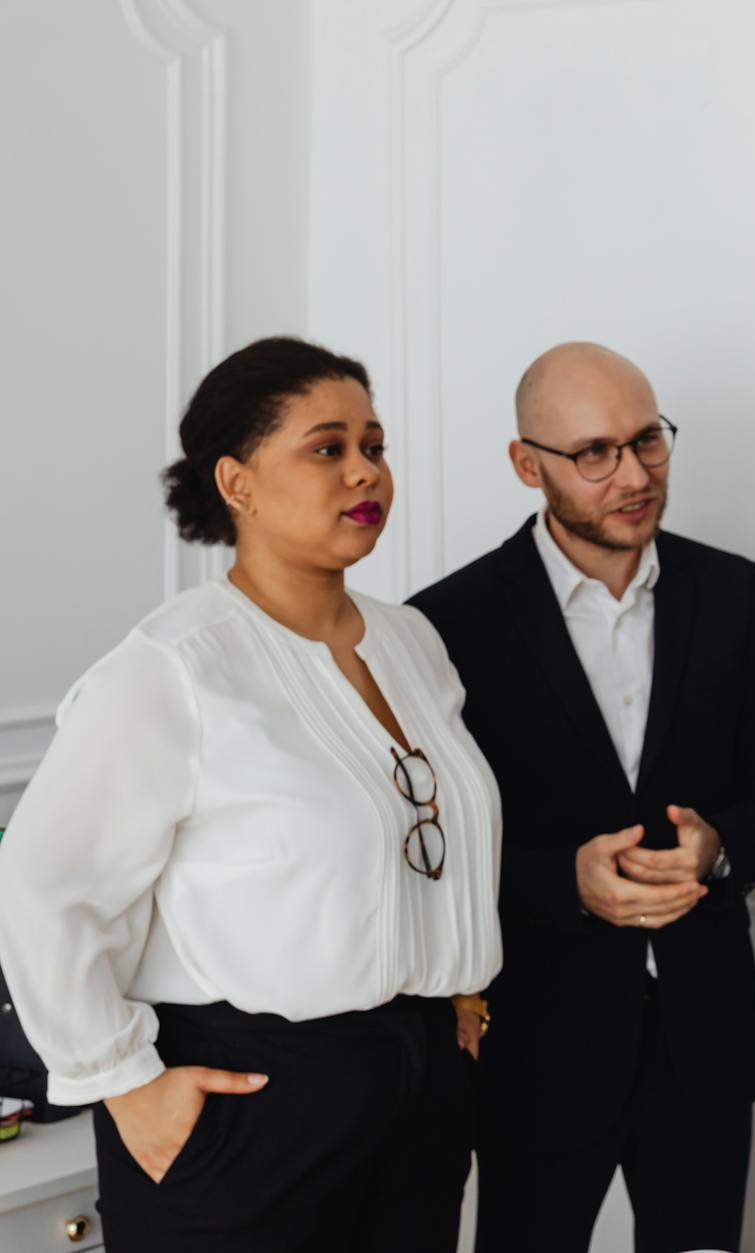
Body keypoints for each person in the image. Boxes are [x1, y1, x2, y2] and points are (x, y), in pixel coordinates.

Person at [0, 336, 501, 1252]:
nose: (366, 471)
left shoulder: (413, 642)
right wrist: (123, 1081)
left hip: (422, 1087)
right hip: (247, 1102)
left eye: (375, 444)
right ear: (237, 482)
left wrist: (460, 990)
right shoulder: (175, 666)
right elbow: (42, 884)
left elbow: (441, 838)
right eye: (327, 447)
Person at [409, 342, 755, 1253]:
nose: (633, 474)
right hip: (535, 1051)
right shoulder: (445, 623)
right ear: (525, 464)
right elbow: (429, 852)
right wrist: (565, 885)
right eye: (594, 453)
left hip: (706, 1042)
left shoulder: (733, 590)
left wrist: (720, 848)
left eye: (647, 440)